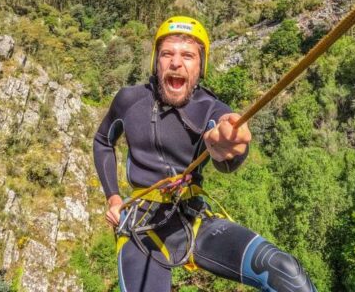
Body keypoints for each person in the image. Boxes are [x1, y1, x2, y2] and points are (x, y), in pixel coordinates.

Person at [93, 16, 317, 292]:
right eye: (167, 54)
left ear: (200, 66)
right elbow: (103, 140)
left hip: (192, 219)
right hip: (140, 227)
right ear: (156, 62)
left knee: (284, 271)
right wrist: (113, 197)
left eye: (188, 55)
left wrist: (230, 148)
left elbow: (225, 142)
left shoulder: (210, 108)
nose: (176, 62)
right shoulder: (129, 100)